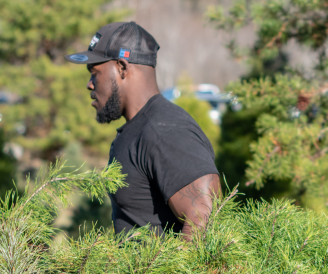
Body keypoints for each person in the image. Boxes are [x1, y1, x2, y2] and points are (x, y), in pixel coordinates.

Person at [65, 21, 220, 238]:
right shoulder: (140, 128)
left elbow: (205, 219)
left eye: (95, 73)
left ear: (122, 67)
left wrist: (170, 273)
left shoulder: (165, 131)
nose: (90, 84)